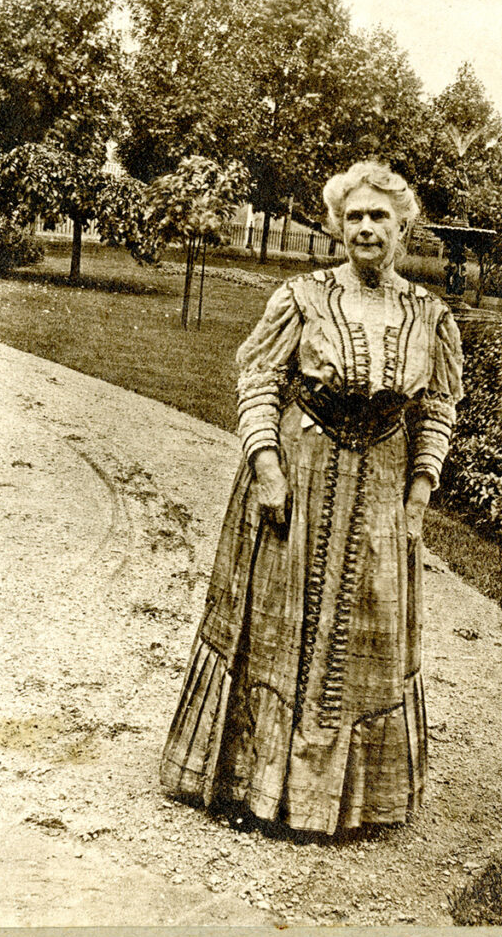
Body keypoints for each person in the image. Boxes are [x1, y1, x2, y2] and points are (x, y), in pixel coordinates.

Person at [160, 159, 464, 835]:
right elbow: (259, 382)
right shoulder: (301, 297)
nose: (365, 228)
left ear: (403, 226)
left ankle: (351, 805)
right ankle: (259, 790)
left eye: (378, 216)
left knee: (366, 636)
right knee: (274, 632)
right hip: (295, 480)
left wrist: (418, 495)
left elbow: (438, 409)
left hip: (382, 489)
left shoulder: (429, 315)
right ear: (335, 225)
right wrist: (267, 468)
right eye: (353, 216)